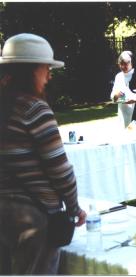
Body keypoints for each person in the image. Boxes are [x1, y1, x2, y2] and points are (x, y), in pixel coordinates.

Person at [0, 33, 86, 274]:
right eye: (46, 68)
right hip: (32, 218)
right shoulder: (34, 109)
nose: (49, 75)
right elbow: (60, 170)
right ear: (30, 70)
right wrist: (74, 208)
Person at [110, 50, 136, 128]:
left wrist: (135, 100)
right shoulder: (118, 76)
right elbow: (113, 97)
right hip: (122, 115)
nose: (123, 66)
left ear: (131, 63)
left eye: (126, 64)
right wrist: (117, 96)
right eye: (121, 64)